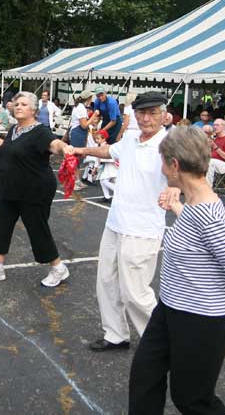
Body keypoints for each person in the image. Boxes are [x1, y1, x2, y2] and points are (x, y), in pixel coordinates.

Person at [129, 125, 225, 415]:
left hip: (199, 317)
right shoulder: (194, 204)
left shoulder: (207, 214)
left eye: (163, 161)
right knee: (145, 377)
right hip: (170, 308)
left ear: (174, 165)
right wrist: (176, 207)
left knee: (192, 399)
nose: (160, 167)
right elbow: (199, 235)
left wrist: (213, 290)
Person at [73, 91, 179, 352]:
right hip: (116, 223)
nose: (146, 118)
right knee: (106, 283)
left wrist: (175, 189)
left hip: (142, 230)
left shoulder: (169, 145)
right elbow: (109, 150)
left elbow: (182, 174)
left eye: (153, 113)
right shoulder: (131, 138)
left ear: (164, 116)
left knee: (135, 293)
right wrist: (80, 149)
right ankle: (116, 334)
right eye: (142, 112)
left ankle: (161, 343)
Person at [0, 92, 72, 287]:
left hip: (35, 190)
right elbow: (5, 147)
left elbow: (54, 144)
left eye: (24, 104)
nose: (18, 106)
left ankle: (59, 268)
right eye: (17, 104)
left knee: (37, 229)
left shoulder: (40, 132)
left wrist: (63, 147)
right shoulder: (14, 129)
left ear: (33, 110)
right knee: (2, 227)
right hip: (11, 188)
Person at [206, 118, 225, 186]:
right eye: (214, 125)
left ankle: (208, 188)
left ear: (223, 126)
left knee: (210, 162)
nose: (215, 127)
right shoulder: (215, 137)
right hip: (213, 161)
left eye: (217, 125)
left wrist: (215, 147)